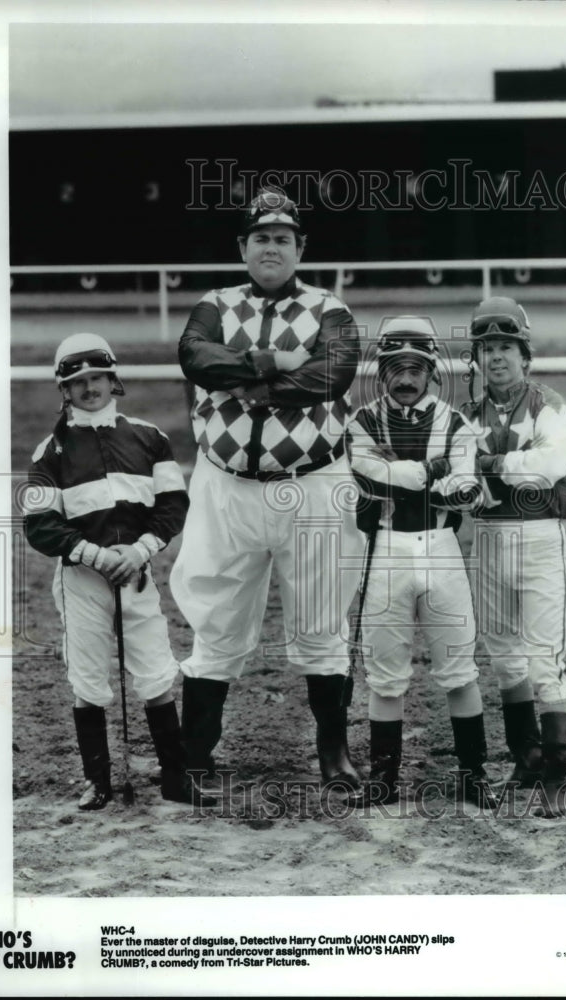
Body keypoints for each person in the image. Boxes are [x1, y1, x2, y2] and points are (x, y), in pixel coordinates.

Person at [170, 187, 364, 790]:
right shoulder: (215, 303)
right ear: (243, 247)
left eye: (283, 238)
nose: (271, 247)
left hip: (312, 485)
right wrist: (273, 365)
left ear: (300, 247)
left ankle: (333, 753)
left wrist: (257, 388)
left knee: (321, 614)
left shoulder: (330, 307)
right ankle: (196, 755)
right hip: (227, 487)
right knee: (216, 611)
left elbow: (334, 372)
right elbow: (195, 357)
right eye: (261, 237)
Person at [23, 332, 212, 809]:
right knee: (87, 678)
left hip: (136, 574)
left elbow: (172, 506)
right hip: (83, 579)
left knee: (155, 672)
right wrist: (94, 554)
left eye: (97, 378)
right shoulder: (49, 452)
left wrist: (139, 551)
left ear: (113, 379)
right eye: (78, 382)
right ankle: (98, 780)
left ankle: (175, 777)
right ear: (64, 389)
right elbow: (40, 527)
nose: (89, 389)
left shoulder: (150, 437)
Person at [347, 316, 497, 809]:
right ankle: (384, 780)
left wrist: (460, 485)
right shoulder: (362, 421)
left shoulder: (455, 421)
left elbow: (461, 480)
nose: (406, 378)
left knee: (459, 667)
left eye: (416, 368)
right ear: (381, 372)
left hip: (439, 548)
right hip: (386, 547)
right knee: (385, 671)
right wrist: (436, 472)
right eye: (396, 368)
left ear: (432, 371)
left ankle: (473, 776)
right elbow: (377, 473)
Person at [461, 297, 566, 818]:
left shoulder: (550, 404)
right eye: (486, 349)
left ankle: (556, 773)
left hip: (537, 536)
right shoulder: (466, 415)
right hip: (488, 538)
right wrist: (486, 469)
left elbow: (548, 467)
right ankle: (526, 756)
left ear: (524, 353)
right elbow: (456, 472)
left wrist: (489, 464)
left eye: (505, 346)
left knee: (544, 659)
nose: (496, 358)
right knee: (504, 654)